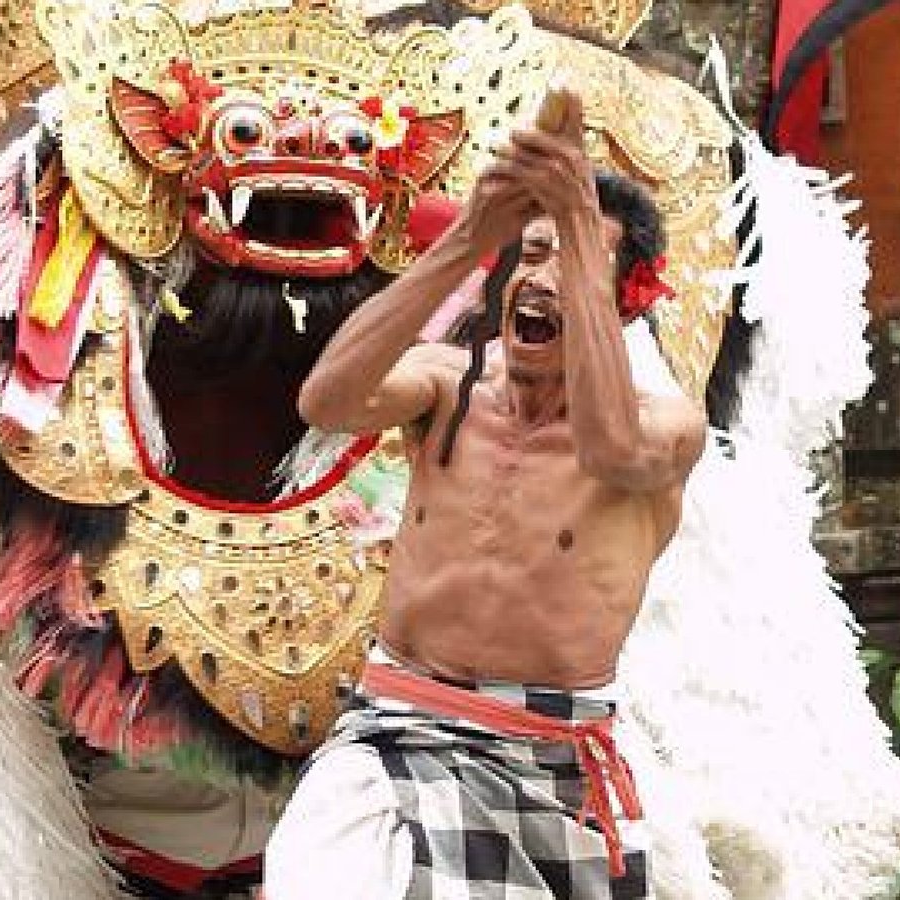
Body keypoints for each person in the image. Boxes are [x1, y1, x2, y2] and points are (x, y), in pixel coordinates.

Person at [261, 87, 705, 900]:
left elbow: (609, 450)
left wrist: (576, 214)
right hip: (397, 727)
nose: (542, 278)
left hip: (550, 755)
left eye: (572, 261)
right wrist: (470, 237)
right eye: (530, 255)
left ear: (622, 303)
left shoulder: (665, 425)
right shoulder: (448, 382)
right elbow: (323, 402)